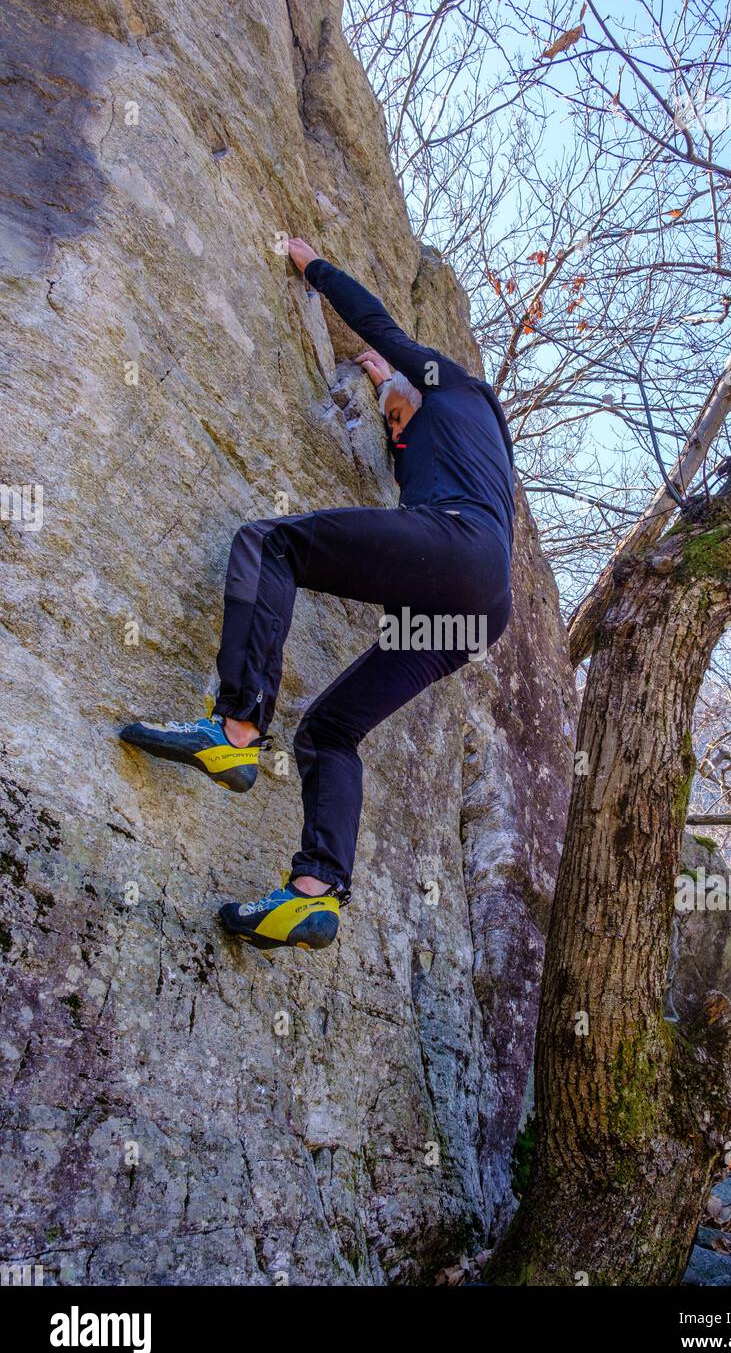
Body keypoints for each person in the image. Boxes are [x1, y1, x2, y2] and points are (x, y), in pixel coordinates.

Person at [120, 238, 515, 951]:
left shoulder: (452, 384)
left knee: (272, 543)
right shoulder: (459, 448)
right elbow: (400, 418)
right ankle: (315, 894)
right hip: (471, 618)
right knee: (330, 731)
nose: (393, 418)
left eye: (398, 406)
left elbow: (380, 326)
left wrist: (313, 266)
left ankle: (235, 728)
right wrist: (388, 402)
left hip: (458, 552)